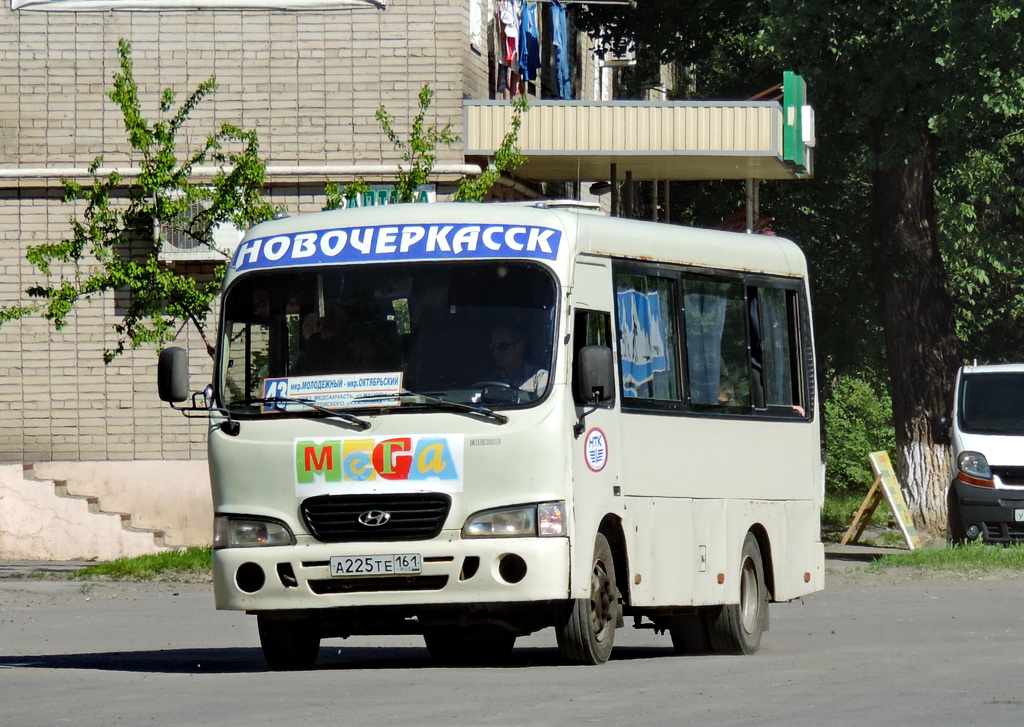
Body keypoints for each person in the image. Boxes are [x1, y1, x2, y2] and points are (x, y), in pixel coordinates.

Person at [488, 323, 549, 398]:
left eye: (502, 346)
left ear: (520, 347)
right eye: (493, 347)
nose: (496, 352)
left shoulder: (541, 378)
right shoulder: (492, 380)